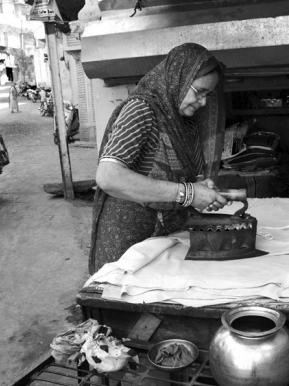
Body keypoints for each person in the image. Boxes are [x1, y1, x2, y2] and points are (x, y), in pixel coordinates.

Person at [89, 43, 231, 273]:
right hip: (128, 241)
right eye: (199, 92)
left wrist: (201, 188)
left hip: (163, 238)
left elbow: (187, 180)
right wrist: (189, 193)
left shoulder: (185, 123)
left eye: (208, 95)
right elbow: (108, 177)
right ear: (178, 79)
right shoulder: (142, 110)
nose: (203, 102)